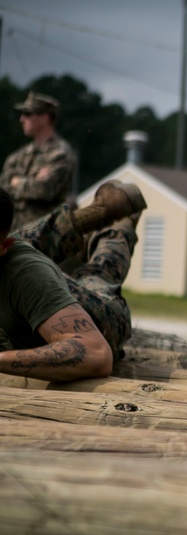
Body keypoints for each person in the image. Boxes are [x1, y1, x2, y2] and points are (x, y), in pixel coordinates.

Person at [0, 180, 146, 381]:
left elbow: (96, 353)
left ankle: (120, 227)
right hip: (40, 285)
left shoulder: (24, 275)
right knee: (24, 241)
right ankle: (97, 214)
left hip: (97, 309)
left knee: (99, 272)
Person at [1, 92, 76, 233]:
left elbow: (45, 190)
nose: (22, 119)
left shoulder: (61, 153)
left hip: (44, 239)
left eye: (28, 114)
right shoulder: (18, 156)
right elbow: (3, 190)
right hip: (13, 236)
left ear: (44, 118)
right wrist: (31, 181)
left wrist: (16, 181)